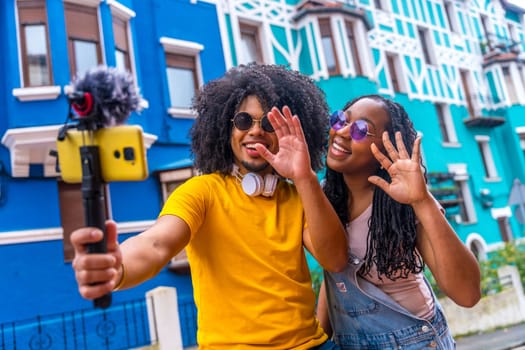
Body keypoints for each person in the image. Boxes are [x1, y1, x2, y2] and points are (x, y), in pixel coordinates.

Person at [71, 63, 348, 349]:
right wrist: (116, 267)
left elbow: (336, 260)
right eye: (243, 121)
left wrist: (304, 177)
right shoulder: (201, 192)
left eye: (268, 124)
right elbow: (157, 244)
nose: (255, 131)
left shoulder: (300, 196)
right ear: (225, 129)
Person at [316, 94, 481, 349]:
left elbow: (467, 294)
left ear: (385, 148)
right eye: (340, 120)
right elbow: (338, 279)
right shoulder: (324, 196)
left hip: (414, 341)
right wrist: (319, 337)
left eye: (361, 129)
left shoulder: (405, 204)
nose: (343, 132)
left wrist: (423, 201)